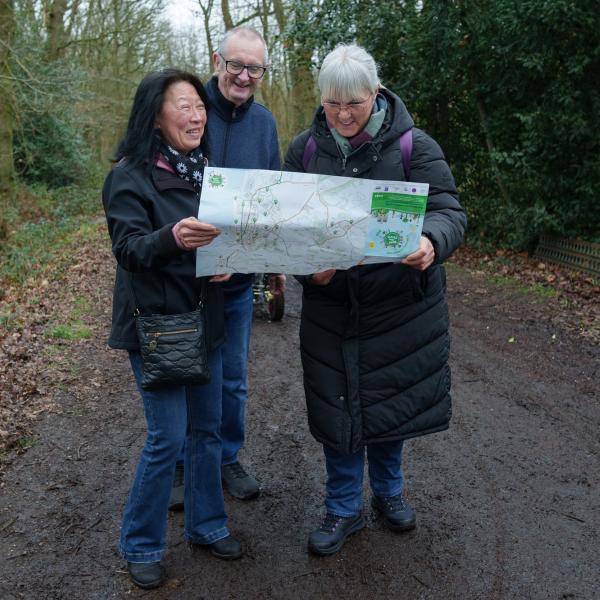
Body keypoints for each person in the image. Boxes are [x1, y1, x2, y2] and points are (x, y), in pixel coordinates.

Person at [283, 44, 466, 556]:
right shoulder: (304, 150)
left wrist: (431, 241)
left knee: (391, 403)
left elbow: (449, 210)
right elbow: (287, 227)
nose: (342, 115)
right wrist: (305, 270)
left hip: (400, 306)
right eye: (332, 104)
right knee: (338, 409)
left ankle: (388, 493)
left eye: (354, 104)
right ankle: (343, 507)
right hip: (332, 307)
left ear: (376, 94)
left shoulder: (414, 146)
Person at [102, 68, 243, 590]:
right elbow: (130, 251)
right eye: (183, 105)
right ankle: (140, 542)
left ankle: (207, 526)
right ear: (154, 116)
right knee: (168, 437)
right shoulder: (129, 176)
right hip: (157, 328)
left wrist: (223, 258)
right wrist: (173, 237)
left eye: (200, 106)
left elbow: (214, 241)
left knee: (207, 430)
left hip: (205, 318)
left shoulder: (207, 170)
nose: (197, 114)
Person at [169, 26, 281, 509]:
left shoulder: (265, 124)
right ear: (218, 60)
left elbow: (275, 195)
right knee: (179, 372)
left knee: (232, 377)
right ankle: (177, 465)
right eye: (236, 64)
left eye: (254, 67)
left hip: (237, 281)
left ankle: (226, 458)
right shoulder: (192, 112)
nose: (244, 75)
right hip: (182, 280)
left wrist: (274, 264)